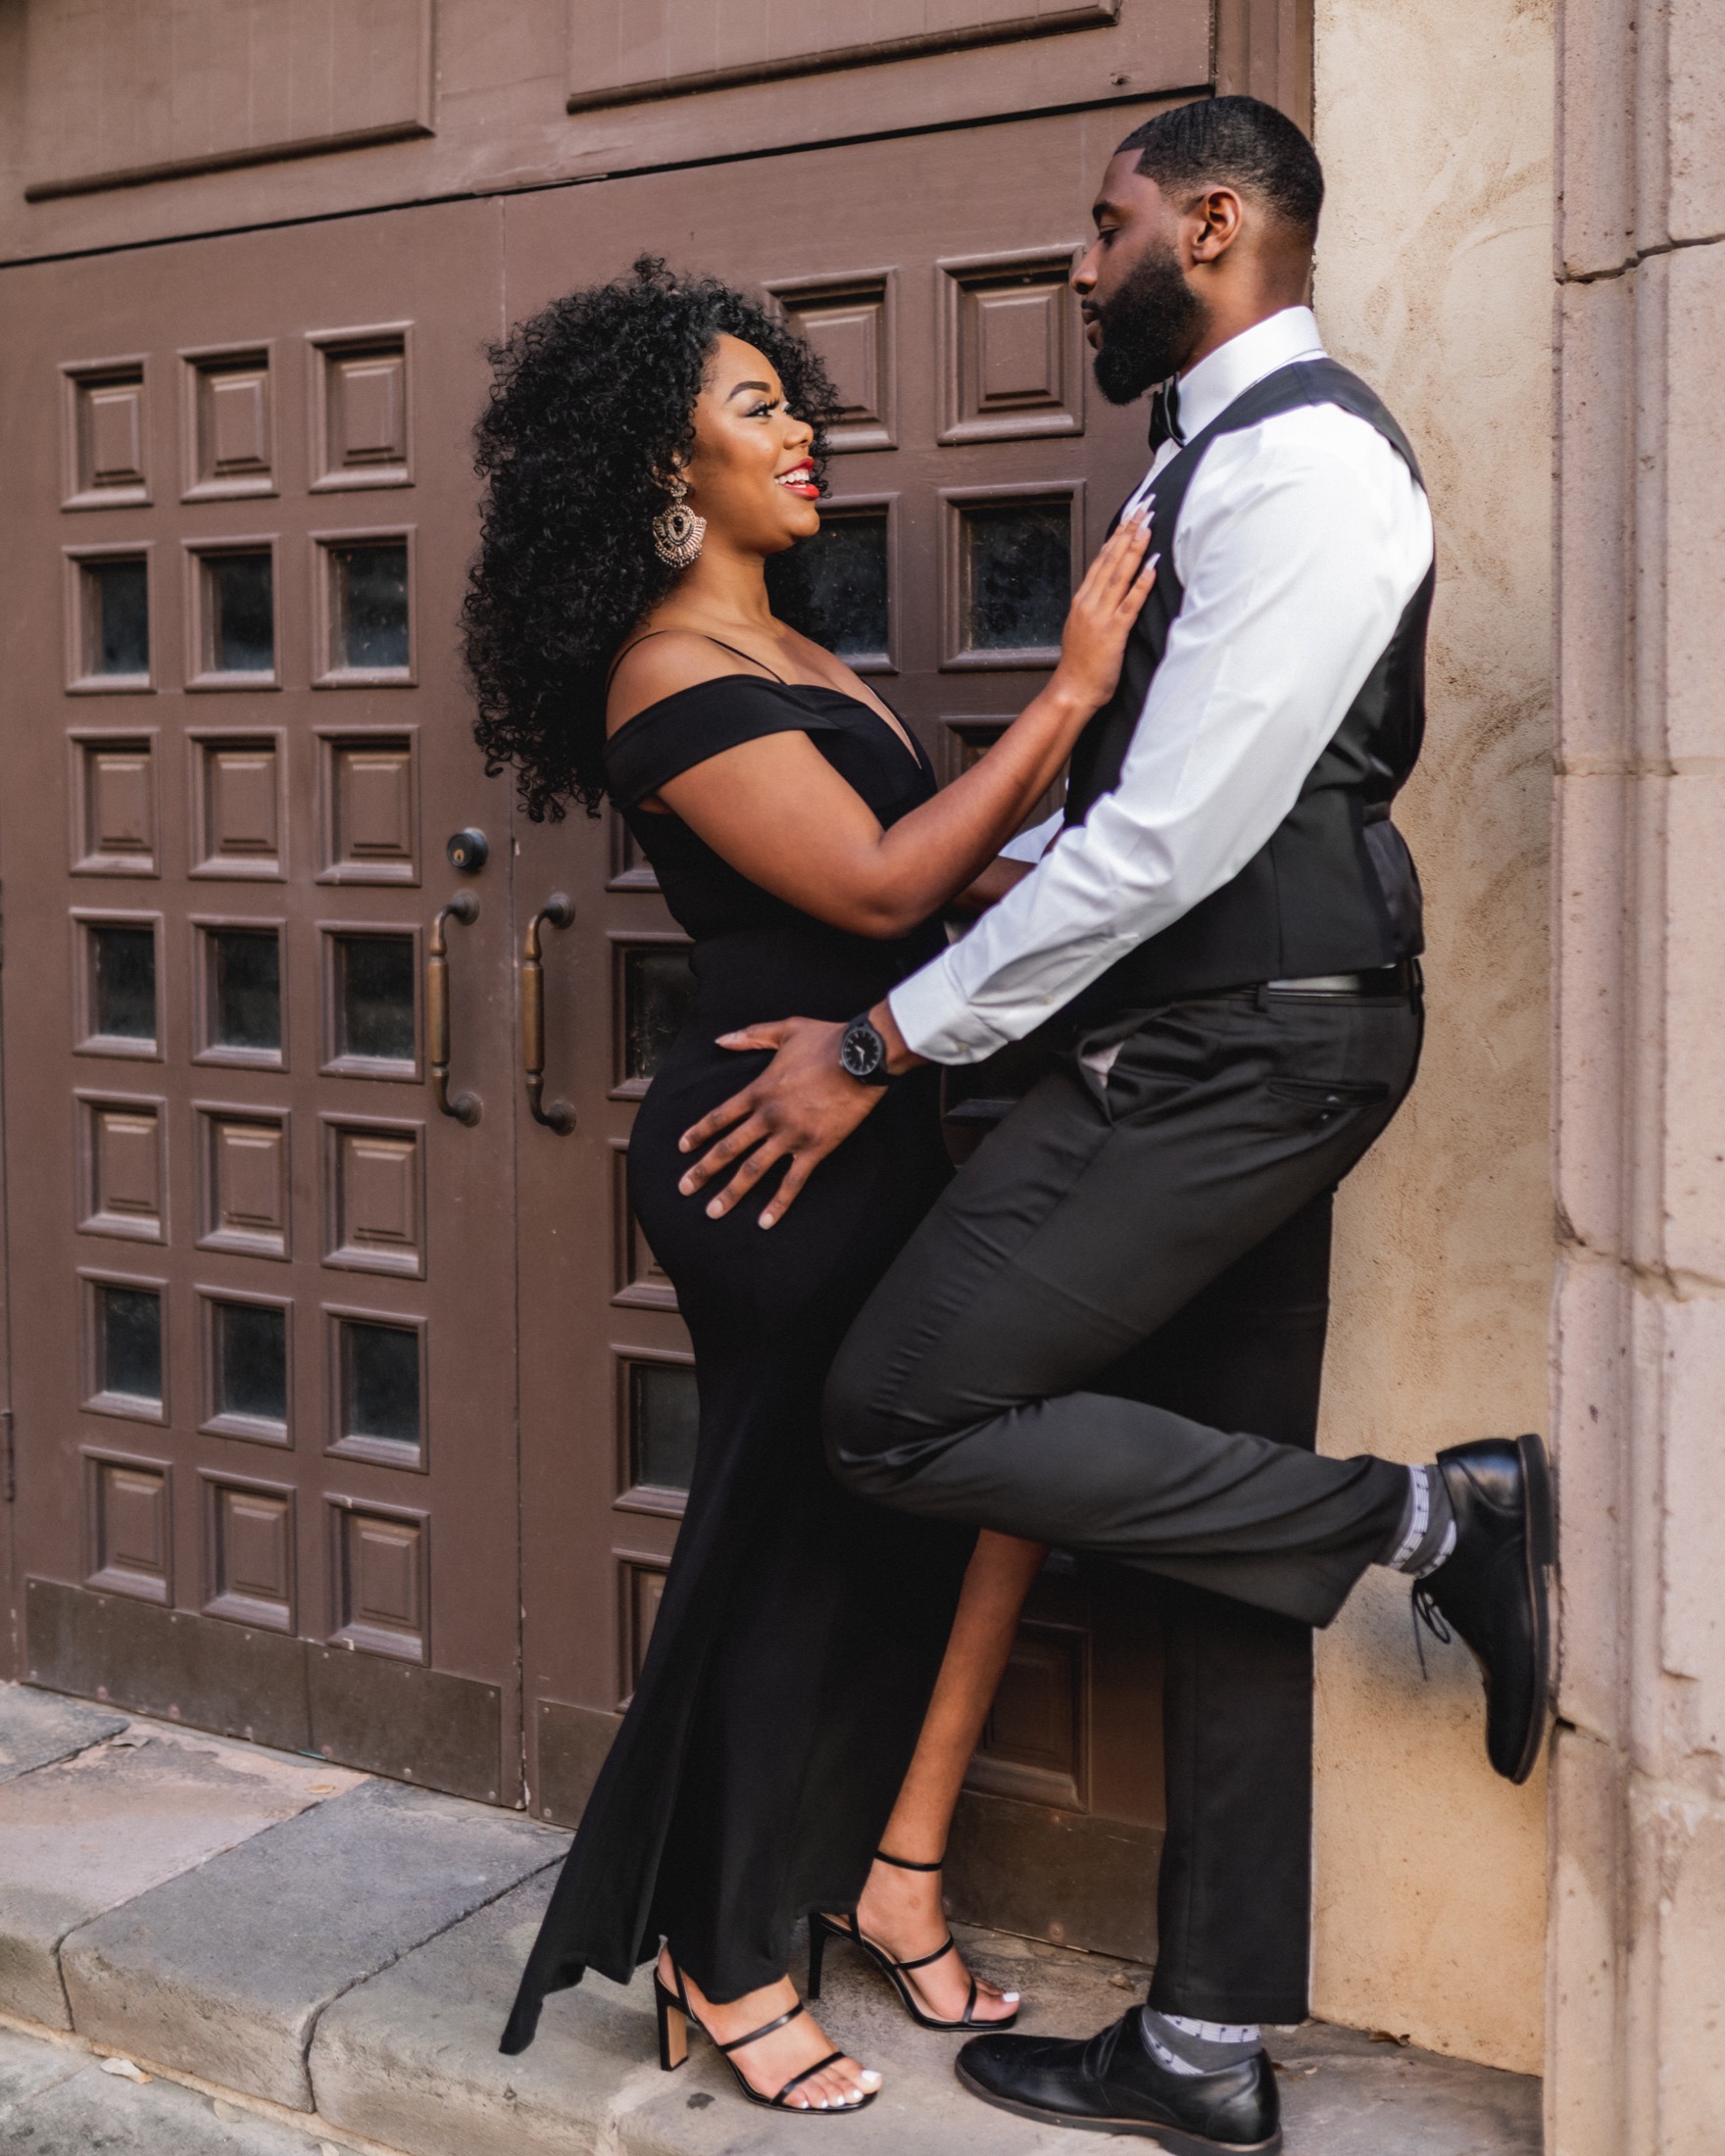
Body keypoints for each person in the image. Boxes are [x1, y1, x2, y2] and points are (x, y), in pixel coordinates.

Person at [673, 99, 1554, 2154]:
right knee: (1214, 1508)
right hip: (1222, 1035)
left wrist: (884, 1041)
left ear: (1217, 225)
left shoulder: (1313, 460)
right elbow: (1136, 802)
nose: (1078, 268)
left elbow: (1174, 838)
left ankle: (1434, 1521)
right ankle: (1205, 2035)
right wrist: (948, 879)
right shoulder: (1203, 461)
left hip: (1243, 1043)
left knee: (894, 1402)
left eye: (1106, 226)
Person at [463, 257, 1156, 2115]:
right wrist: (1073, 695)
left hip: (880, 1124)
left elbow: (934, 878)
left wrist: (1106, 877)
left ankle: (892, 1859)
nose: (803, 432)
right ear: (660, 467)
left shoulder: (805, 657)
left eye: (794, 399)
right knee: (793, 1541)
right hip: (767, 1146)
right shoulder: (665, 675)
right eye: (754, 405)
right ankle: (720, 1944)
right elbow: (867, 887)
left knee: (982, 1472)